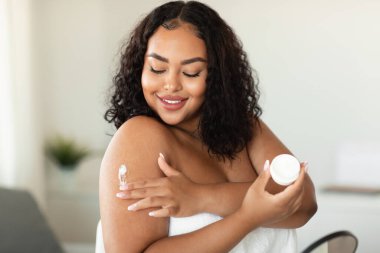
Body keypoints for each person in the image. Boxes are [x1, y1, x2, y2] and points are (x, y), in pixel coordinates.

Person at [99, 1, 317, 252]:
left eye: (191, 72)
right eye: (157, 68)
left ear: (216, 76)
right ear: (140, 67)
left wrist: (199, 197)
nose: (170, 84)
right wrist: (248, 216)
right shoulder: (140, 136)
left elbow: (305, 203)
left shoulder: (244, 128)